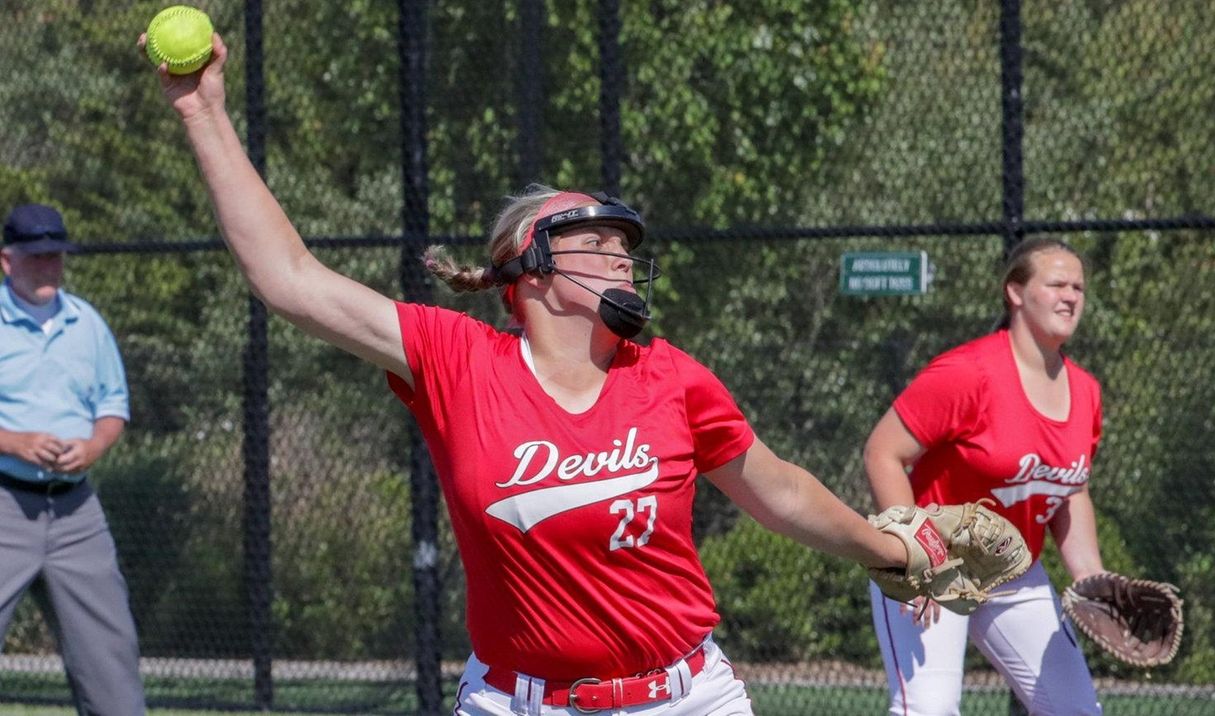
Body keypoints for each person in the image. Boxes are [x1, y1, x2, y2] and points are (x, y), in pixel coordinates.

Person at [144, 34, 921, 716]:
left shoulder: (670, 377)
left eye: (626, 241)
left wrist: (889, 551)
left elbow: (778, 491)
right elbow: (290, 279)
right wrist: (202, 114)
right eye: (599, 239)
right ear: (533, 269)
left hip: (688, 698)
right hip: (517, 702)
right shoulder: (460, 362)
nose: (623, 253)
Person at [862, 236, 1105, 715]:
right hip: (936, 560)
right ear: (1015, 293)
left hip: (1012, 569)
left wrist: (1091, 579)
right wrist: (917, 557)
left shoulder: (1087, 391)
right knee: (927, 711)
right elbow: (881, 452)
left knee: (1076, 711)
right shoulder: (969, 373)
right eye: (1056, 283)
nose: (1070, 295)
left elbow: (1068, 490)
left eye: (1078, 286)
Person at [0, 203, 145, 715]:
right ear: (6, 260)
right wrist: (13, 442)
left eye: (56, 256)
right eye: (36, 257)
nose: (48, 267)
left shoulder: (87, 323)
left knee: (112, 665)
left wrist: (93, 446)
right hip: (5, 505)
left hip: (76, 513)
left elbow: (112, 407)